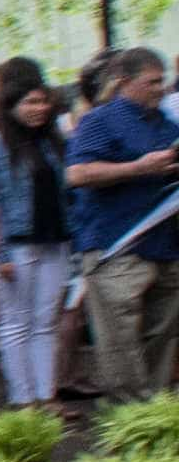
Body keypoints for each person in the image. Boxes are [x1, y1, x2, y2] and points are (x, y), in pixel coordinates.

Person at [69, 46, 179, 400]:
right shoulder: (99, 121)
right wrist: (138, 168)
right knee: (120, 342)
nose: (160, 89)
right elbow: (78, 173)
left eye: (162, 81)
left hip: (164, 246)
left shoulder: (166, 123)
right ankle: (128, 418)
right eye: (152, 82)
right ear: (125, 81)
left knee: (164, 335)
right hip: (116, 246)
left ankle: (156, 416)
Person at [0, 78, 80, 407]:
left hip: (56, 240)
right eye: (30, 103)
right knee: (15, 324)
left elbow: (68, 193)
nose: (38, 109)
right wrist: (1, 252)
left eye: (42, 102)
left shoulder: (55, 142)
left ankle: (46, 394)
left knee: (46, 321)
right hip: (18, 242)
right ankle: (23, 399)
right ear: (11, 107)